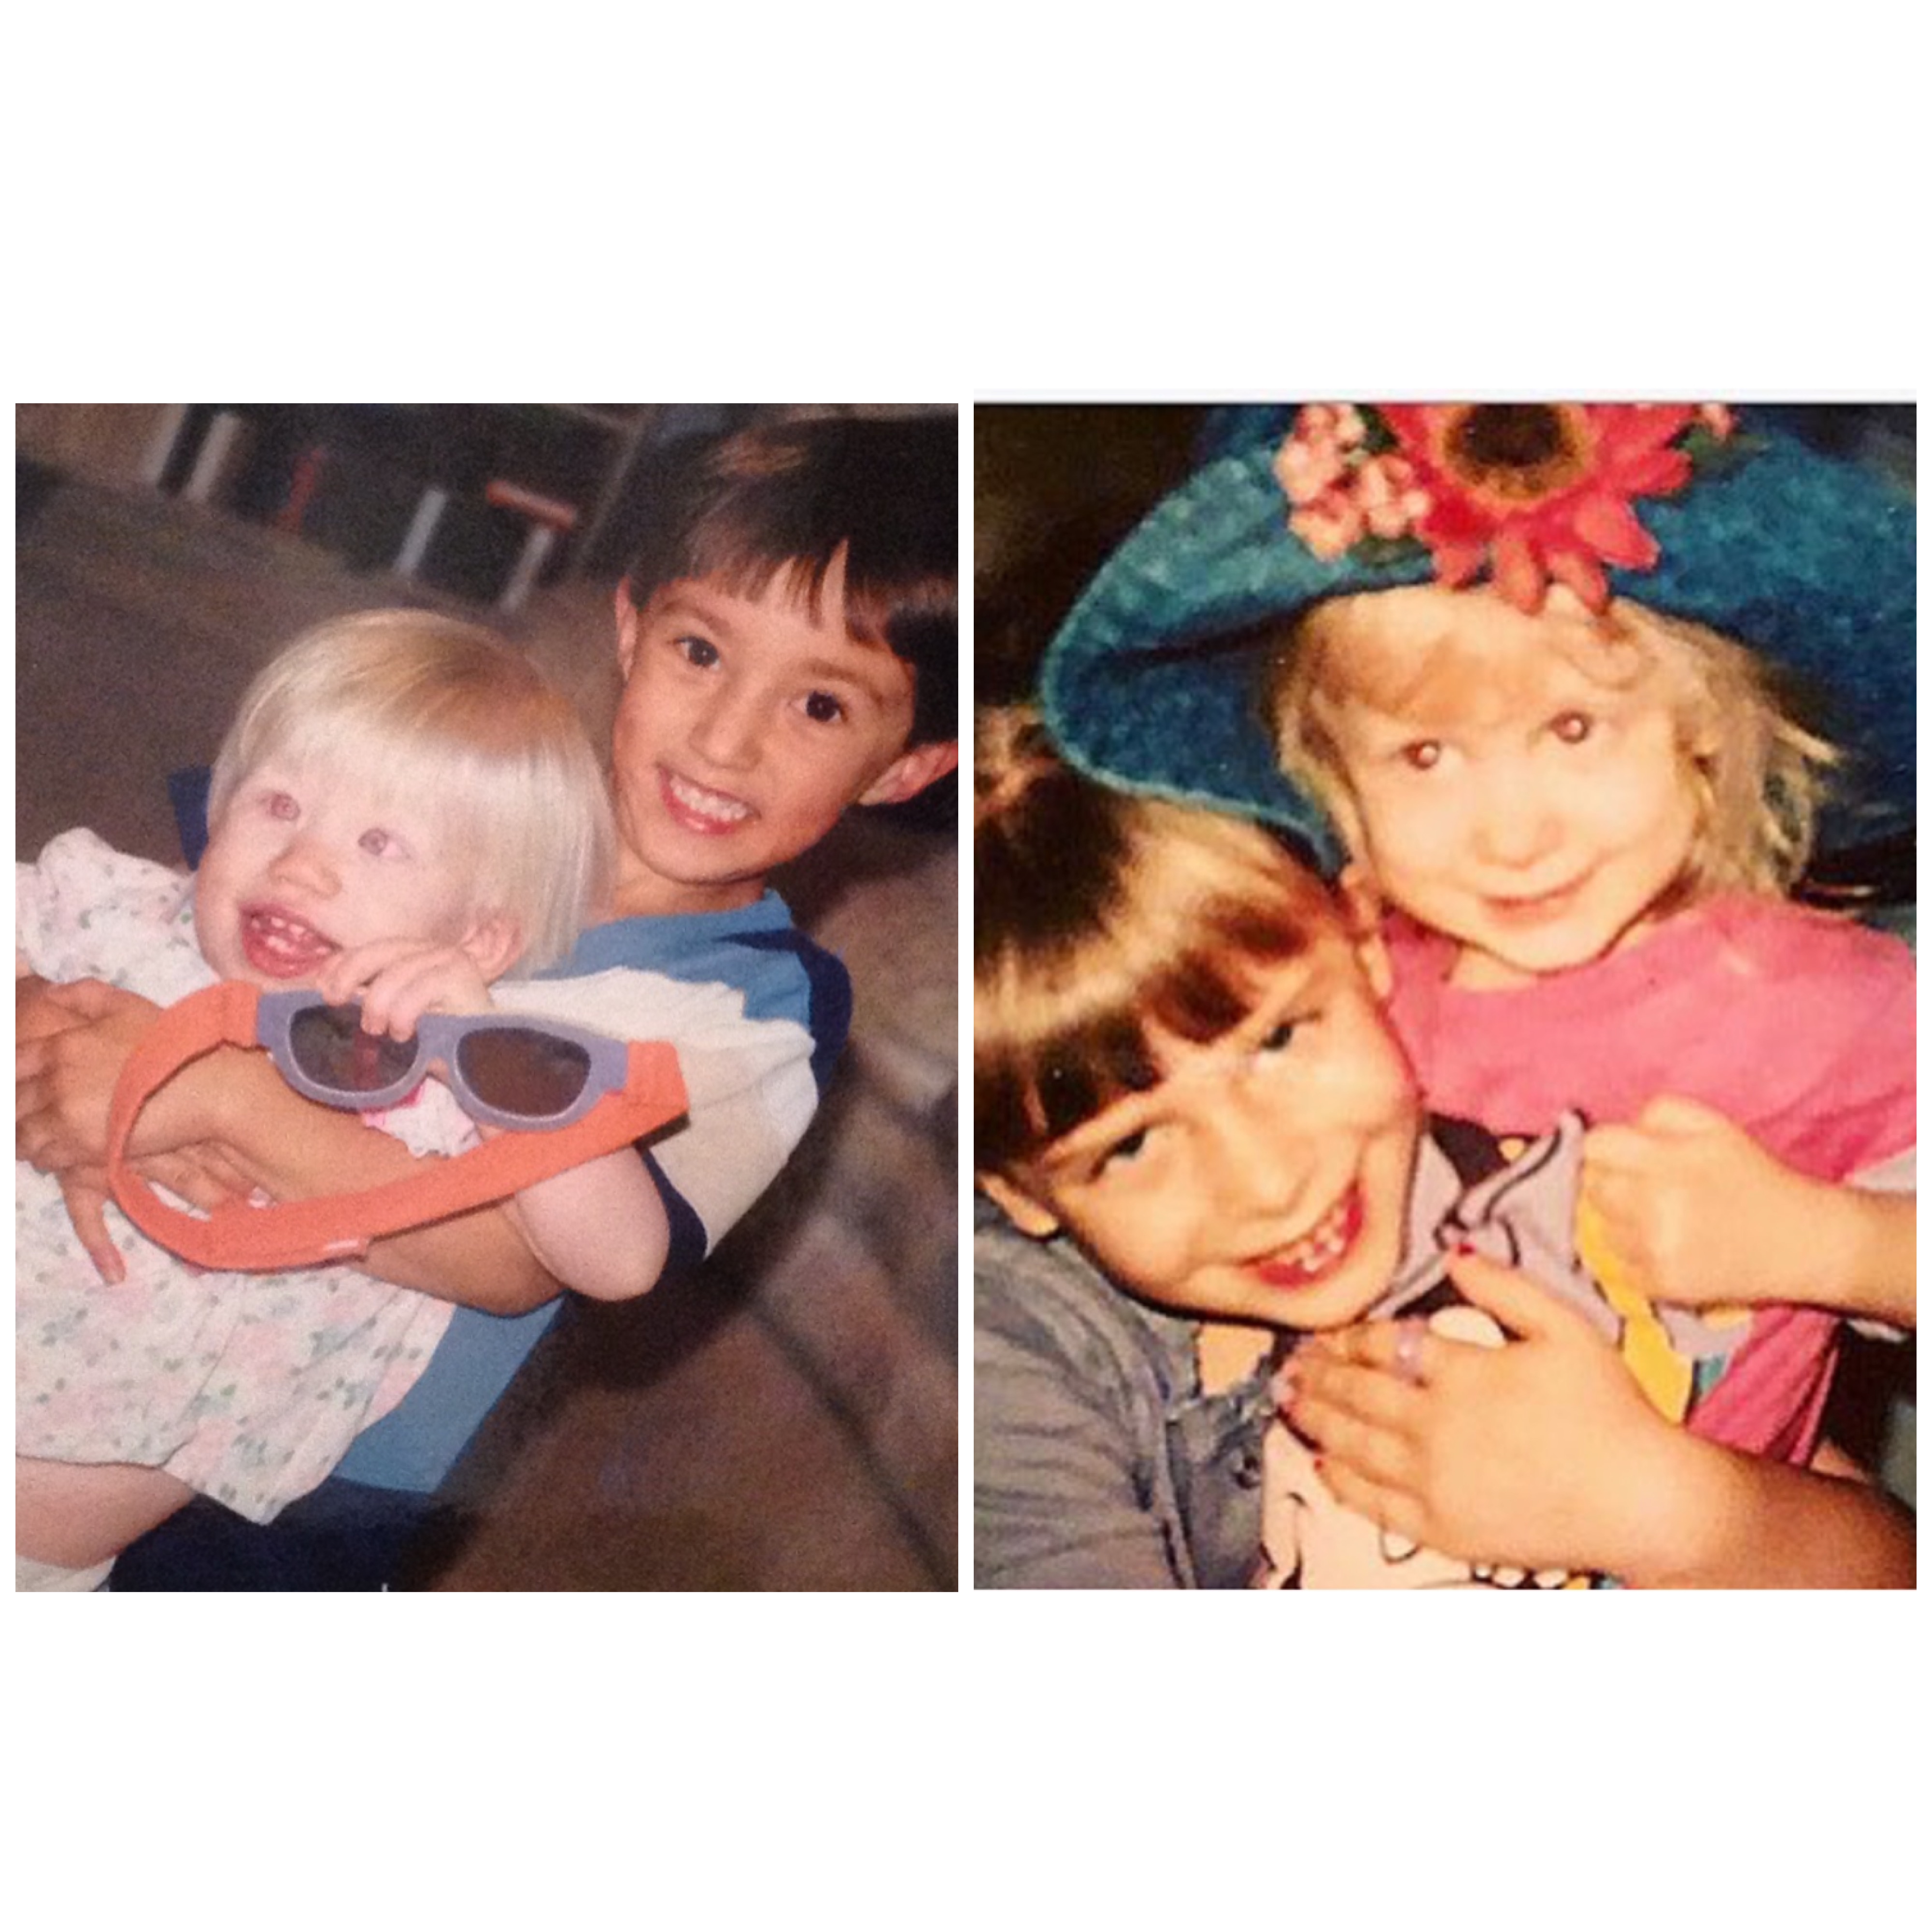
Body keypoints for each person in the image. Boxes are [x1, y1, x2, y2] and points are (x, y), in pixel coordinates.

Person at [16, 411, 961, 1588]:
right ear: (629, 625)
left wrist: (202, 1096)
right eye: (700, 652)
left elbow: (511, 1258)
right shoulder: (470, 771)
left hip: (301, 1489)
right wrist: (59, 1050)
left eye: (818, 706)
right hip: (86, 1313)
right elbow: (168, 922)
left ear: (909, 764)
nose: (725, 740)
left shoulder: (760, 1009)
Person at [1037, 402, 1913, 1573]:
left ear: (1701, 722)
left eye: (1570, 727)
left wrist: (1832, 1245)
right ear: (1327, 776)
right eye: (1425, 755)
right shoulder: (1327, 992)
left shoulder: (1834, 1009)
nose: (1509, 833)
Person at [972, 709, 1911, 1588]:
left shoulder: (1511, 1133)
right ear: (1013, 1191)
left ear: (1366, 947)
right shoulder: (1013, 1365)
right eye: (1131, 1146)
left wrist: (1664, 1500)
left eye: (1276, 1041)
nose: (1268, 1180)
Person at [17, 609, 685, 1589]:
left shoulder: (436, 1081)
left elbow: (624, 1259)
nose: (302, 862)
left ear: (480, 937)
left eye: (380, 842)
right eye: (277, 804)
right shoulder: (113, 914)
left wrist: (482, 1042)